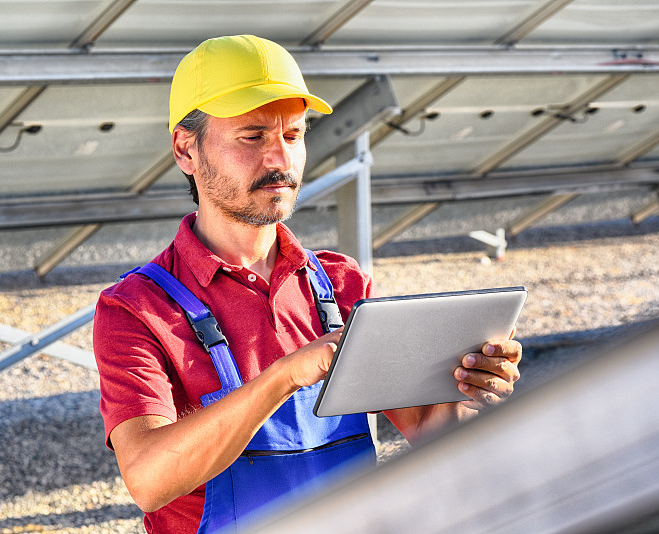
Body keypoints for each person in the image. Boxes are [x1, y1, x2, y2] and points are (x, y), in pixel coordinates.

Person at [93, 34, 522, 534]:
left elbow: (429, 429)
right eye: (252, 137)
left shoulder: (341, 284)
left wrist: (473, 396)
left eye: (293, 136)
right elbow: (147, 478)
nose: (280, 160)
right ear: (186, 150)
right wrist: (285, 376)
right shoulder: (137, 309)